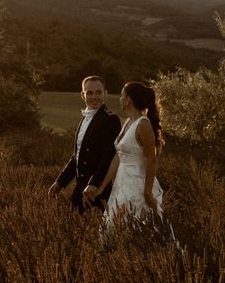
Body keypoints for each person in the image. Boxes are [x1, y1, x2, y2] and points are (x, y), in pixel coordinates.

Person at [92, 81, 167, 230]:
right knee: (116, 223)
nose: (119, 99)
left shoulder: (143, 124)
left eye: (121, 96)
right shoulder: (127, 122)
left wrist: (147, 192)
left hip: (137, 183)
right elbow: (119, 157)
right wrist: (103, 185)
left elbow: (151, 160)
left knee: (137, 223)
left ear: (128, 100)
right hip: (122, 182)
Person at [48, 75, 121, 213]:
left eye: (98, 92)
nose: (94, 97)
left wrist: (94, 184)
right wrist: (60, 182)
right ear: (83, 95)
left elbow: (108, 156)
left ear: (106, 93)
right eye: (89, 93)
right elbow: (77, 156)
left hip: (98, 191)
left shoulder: (110, 119)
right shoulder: (84, 119)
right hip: (80, 187)